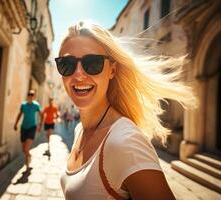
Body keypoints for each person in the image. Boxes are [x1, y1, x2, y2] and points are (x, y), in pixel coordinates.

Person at [55, 21, 197, 200]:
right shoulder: (80, 130)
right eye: (67, 64)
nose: (78, 74)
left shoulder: (125, 143)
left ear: (112, 70)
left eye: (92, 63)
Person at [14, 89, 42, 170]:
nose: (31, 96)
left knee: (26, 148)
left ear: (34, 96)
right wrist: (16, 123)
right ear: (27, 96)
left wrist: (40, 125)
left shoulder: (36, 105)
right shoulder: (23, 105)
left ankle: (27, 163)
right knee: (24, 149)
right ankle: (29, 156)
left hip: (32, 127)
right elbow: (20, 114)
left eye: (32, 95)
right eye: (29, 94)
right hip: (24, 127)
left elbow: (41, 115)